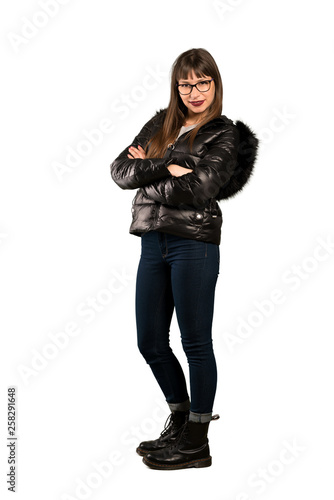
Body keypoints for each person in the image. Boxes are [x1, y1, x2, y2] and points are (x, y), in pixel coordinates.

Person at [110, 48, 259, 470]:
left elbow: (197, 191)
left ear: (215, 84)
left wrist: (152, 170)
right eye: (186, 84)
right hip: (151, 243)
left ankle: (197, 441)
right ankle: (178, 422)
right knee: (150, 341)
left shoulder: (224, 134)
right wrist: (172, 166)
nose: (194, 92)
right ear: (176, 87)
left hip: (194, 243)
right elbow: (120, 171)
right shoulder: (162, 123)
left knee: (195, 342)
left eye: (203, 82)